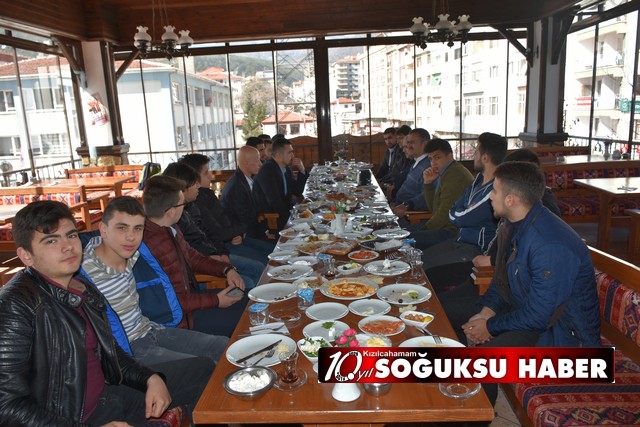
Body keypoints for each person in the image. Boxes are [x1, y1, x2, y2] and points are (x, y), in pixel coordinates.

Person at [0, 200, 213, 426]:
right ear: (26, 255)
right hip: (72, 417)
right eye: (51, 240)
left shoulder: (81, 287)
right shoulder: (15, 306)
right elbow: (6, 407)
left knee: (203, 369)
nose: (68, 247)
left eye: (71, 235)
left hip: (108, 395)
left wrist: (150, 378)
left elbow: (109, 351)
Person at [461, 161, 601, 405]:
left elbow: (539, 317)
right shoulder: (515, 224)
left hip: (565, 341)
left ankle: (477, 415)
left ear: (511, 200)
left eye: (494, 191)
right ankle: (456, 402)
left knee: (481, 362)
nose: (490, 196)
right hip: (533, 316)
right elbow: (502, 281)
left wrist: (490, 327)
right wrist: (487, 312)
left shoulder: (549, 243)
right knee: (455, 314)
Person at [81, 196, 229, 366]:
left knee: (222, 345)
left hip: (151, 329)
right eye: (122, 228)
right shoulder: (84, 272)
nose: (131, 237)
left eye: (138, 228)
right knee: (202, 367)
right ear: (103, 229)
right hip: (128, 350)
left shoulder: (136, 254)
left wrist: (225, 268)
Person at [142, 175, 246, 337]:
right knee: (247, 317)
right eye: (183, 204)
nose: (185, 207)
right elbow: (168, 303)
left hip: (192, 303)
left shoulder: (170, 229)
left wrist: (226, 269)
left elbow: (194, 258)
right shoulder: (150, 246)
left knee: (250, 300)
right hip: (180, 320)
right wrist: (216, 300)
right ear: (171, 212)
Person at [163, 162, 263, 286]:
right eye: (194, 183)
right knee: (246, 282)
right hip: (200, 267)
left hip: (214, 255)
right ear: (182, 188)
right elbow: (191, 252)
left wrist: (223, 253)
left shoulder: (191, 206)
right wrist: (214, 259)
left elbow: (209, 234)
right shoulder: (173, 217)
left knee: (257, 268)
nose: (198, 185)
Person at [420, 132, 507, 271]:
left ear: (485, 157)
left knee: (424, 268)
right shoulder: (478, 180)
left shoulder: (495, 188)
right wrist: (462, 210)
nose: (474, 155)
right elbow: (455, 208)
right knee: (419, 260)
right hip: (459, 240)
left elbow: (461, 219)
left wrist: (461, 210)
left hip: (476, 250)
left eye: (476, 151)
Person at [180, 153, 274, 262]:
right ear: (193, 178)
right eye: (206, 173)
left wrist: (238, 233)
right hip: (223, 247)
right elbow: (217, 233)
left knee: (272, 251)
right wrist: (241, 229)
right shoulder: (197, 202)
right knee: (262, 262)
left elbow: (226, 218)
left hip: (234, 238)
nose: (210, 176)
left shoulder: (207, 193)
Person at [410, 138, 474, 248]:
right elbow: (434, 209)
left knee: (405, 240)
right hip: (445, 226)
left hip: (455, 232)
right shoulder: (446, 171)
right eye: (430, 159)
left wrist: (422, 230)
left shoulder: (454, 174)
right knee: (402, 235)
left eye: (437, 157)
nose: (433, 163)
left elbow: (445, 214)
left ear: (450, 156)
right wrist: (428, 183)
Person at [253, 137, 308, 231]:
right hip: (271, 220)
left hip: (285, 214)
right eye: (289, 152)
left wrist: (302, 170)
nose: (293, 155)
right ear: (278, 155)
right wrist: (295, 215)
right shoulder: (268, 170)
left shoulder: (285, 169)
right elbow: (275, 202)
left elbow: (297, 191)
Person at [221, 145, 275, 241]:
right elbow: (245, 221)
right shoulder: (236, 187)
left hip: (253, 232)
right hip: (241, 238)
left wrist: (266, 232)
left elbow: (257, 211)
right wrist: (265, 236)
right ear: (246, 163)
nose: (261, 164)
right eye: (257, 160)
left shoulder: (246, 180)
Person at [390, 128, 431, 215]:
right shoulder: (416, 162)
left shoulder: (428, 166)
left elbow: (426, 197)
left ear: (425, 144)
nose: (408, 146)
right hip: (398, 208)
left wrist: (406, 206)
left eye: (412, 142)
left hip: (410, 215)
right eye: (407, 143)